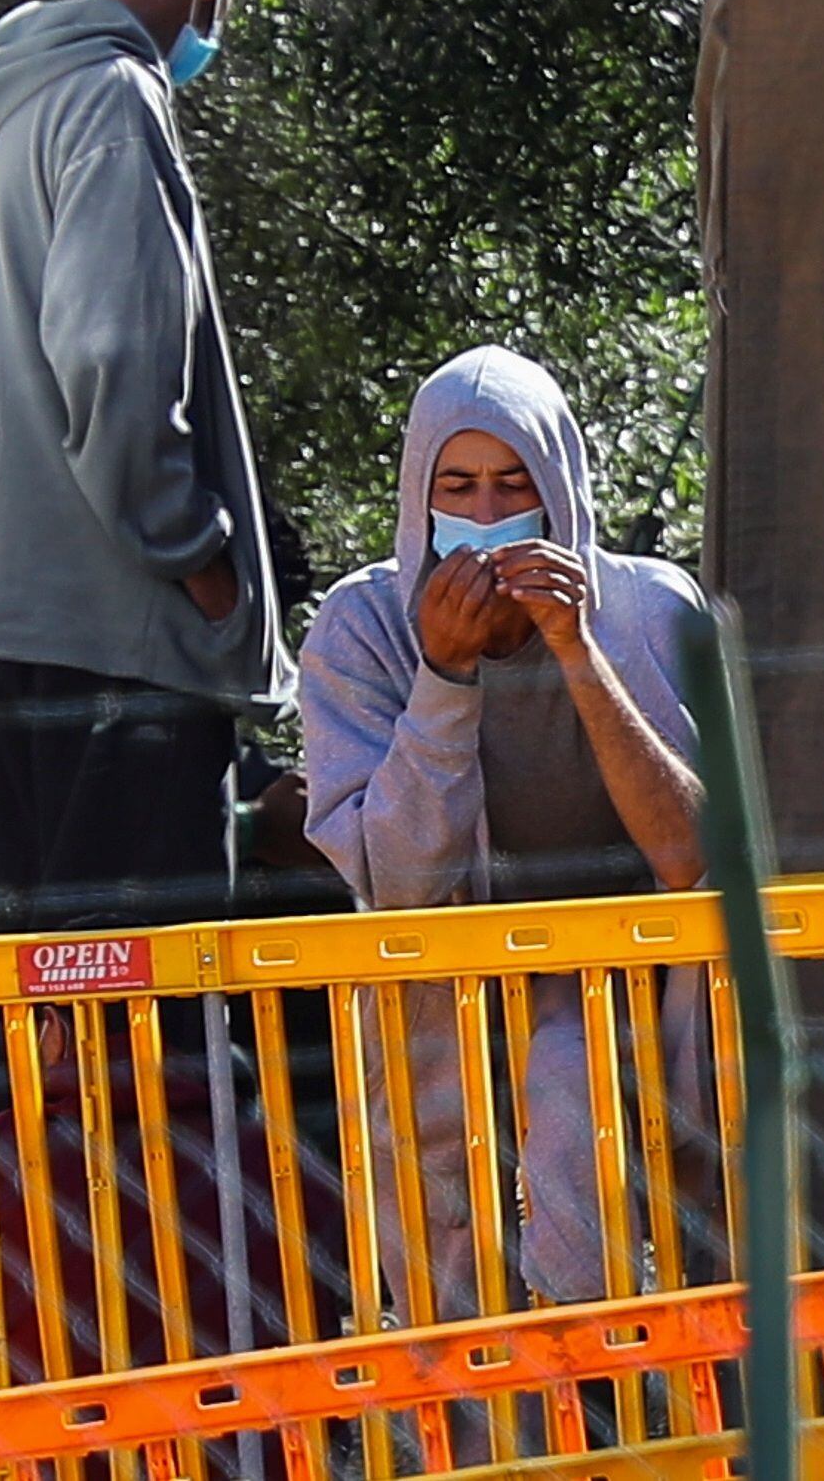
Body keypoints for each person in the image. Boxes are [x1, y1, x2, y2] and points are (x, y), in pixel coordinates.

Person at [300, 347, 716, 1320]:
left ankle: (604, 1380)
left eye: (513, 486)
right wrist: (444, 680)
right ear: (418, 495)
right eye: (458, 487)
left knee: (572, 1084)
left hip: (638, 995)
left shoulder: (654, 612)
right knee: (452, 1297)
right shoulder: (362, 629)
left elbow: (693, 853)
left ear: (561, 490)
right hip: (442, 1003)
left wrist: (577, 649)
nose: (485, 518)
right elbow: (398, 880)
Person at [0, 0, 288, 935]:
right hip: (119, 635)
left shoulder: (24, 103)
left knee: (44, 1007)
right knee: (141, 1022)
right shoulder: (114, 101)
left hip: (18, 620)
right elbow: (116, 365)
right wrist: (199, 561)